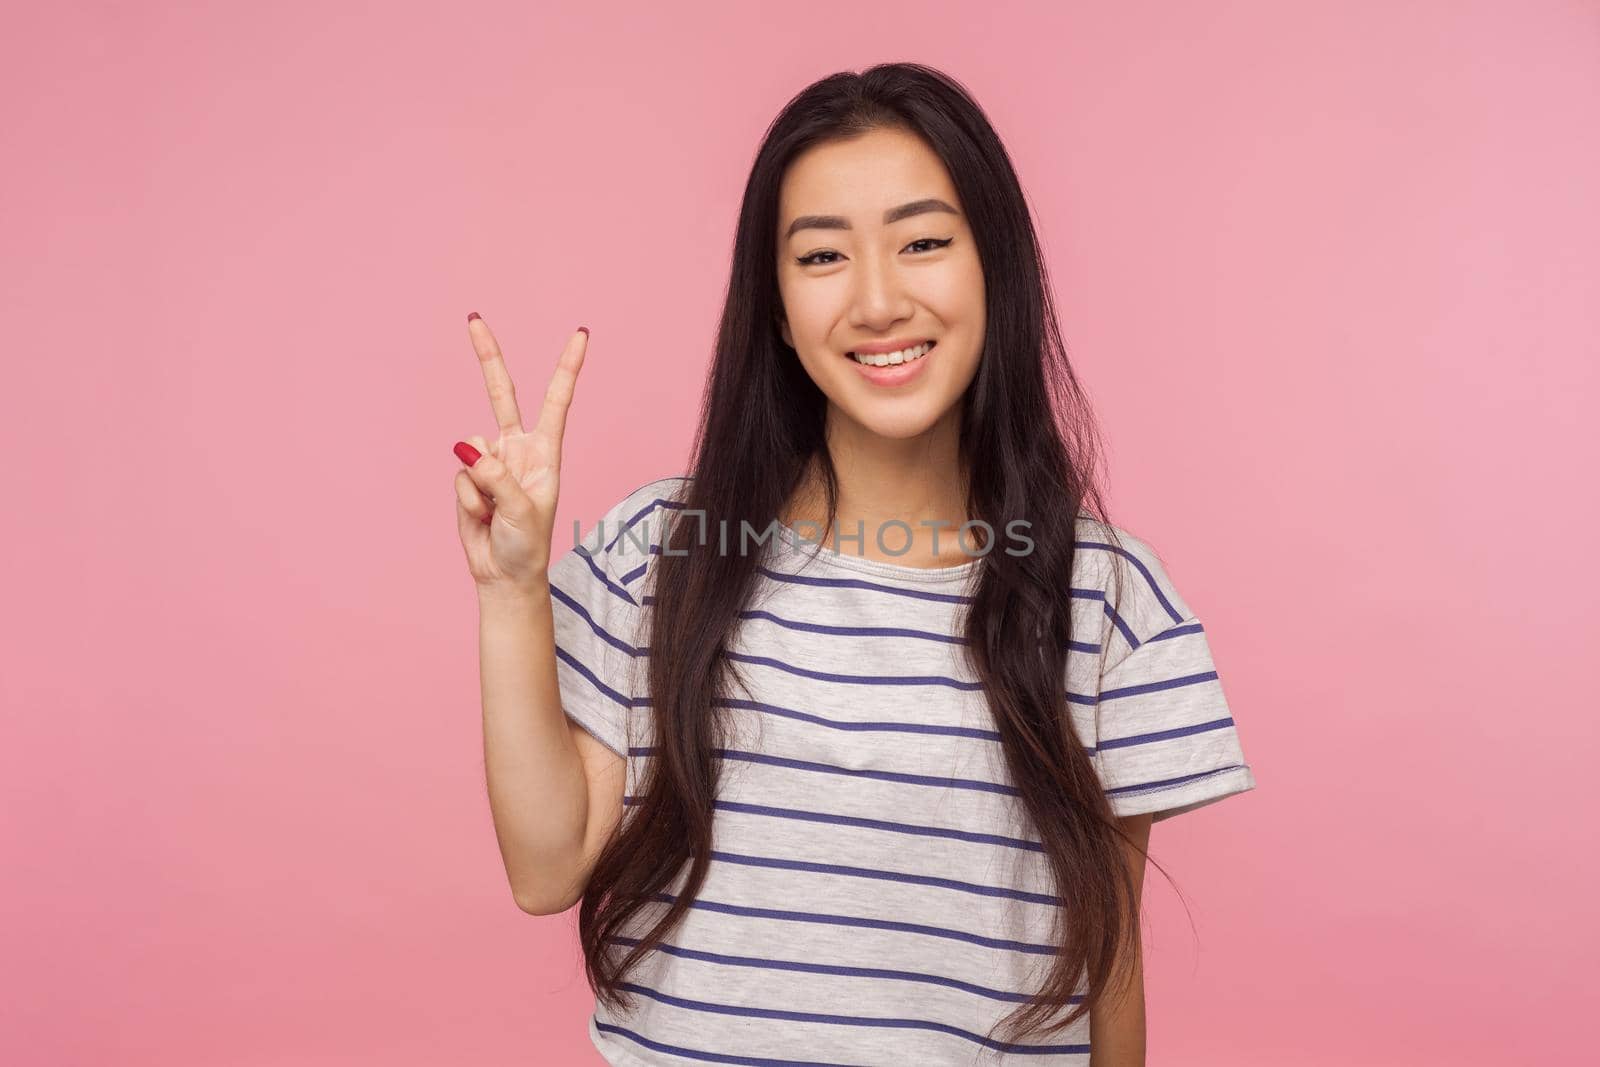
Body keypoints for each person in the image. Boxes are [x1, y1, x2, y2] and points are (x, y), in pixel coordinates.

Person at [452, 63, 1256, 1067]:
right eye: (823, 255)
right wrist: (510, 591)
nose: (877, 300)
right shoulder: (662, 551)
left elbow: (1111, 961)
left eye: (922, 241)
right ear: (778, 307)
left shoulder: (1108, 600)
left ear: (995, 269)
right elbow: (545, 865)